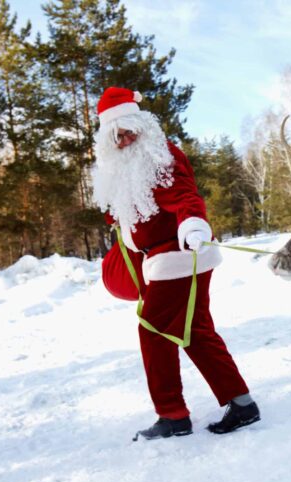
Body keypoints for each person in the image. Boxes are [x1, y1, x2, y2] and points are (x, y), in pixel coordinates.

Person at [91, 87, 260, 440]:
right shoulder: (128, 166)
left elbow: (184, 195)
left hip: (180, 256)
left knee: (153, 330)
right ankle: (242, 405)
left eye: (128, 131)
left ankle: (172, 416)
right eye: (116, 136)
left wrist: (193, 223)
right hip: (165, 259)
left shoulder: (157, 156)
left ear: (141, 125)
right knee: (195, 332)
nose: (124, 140)